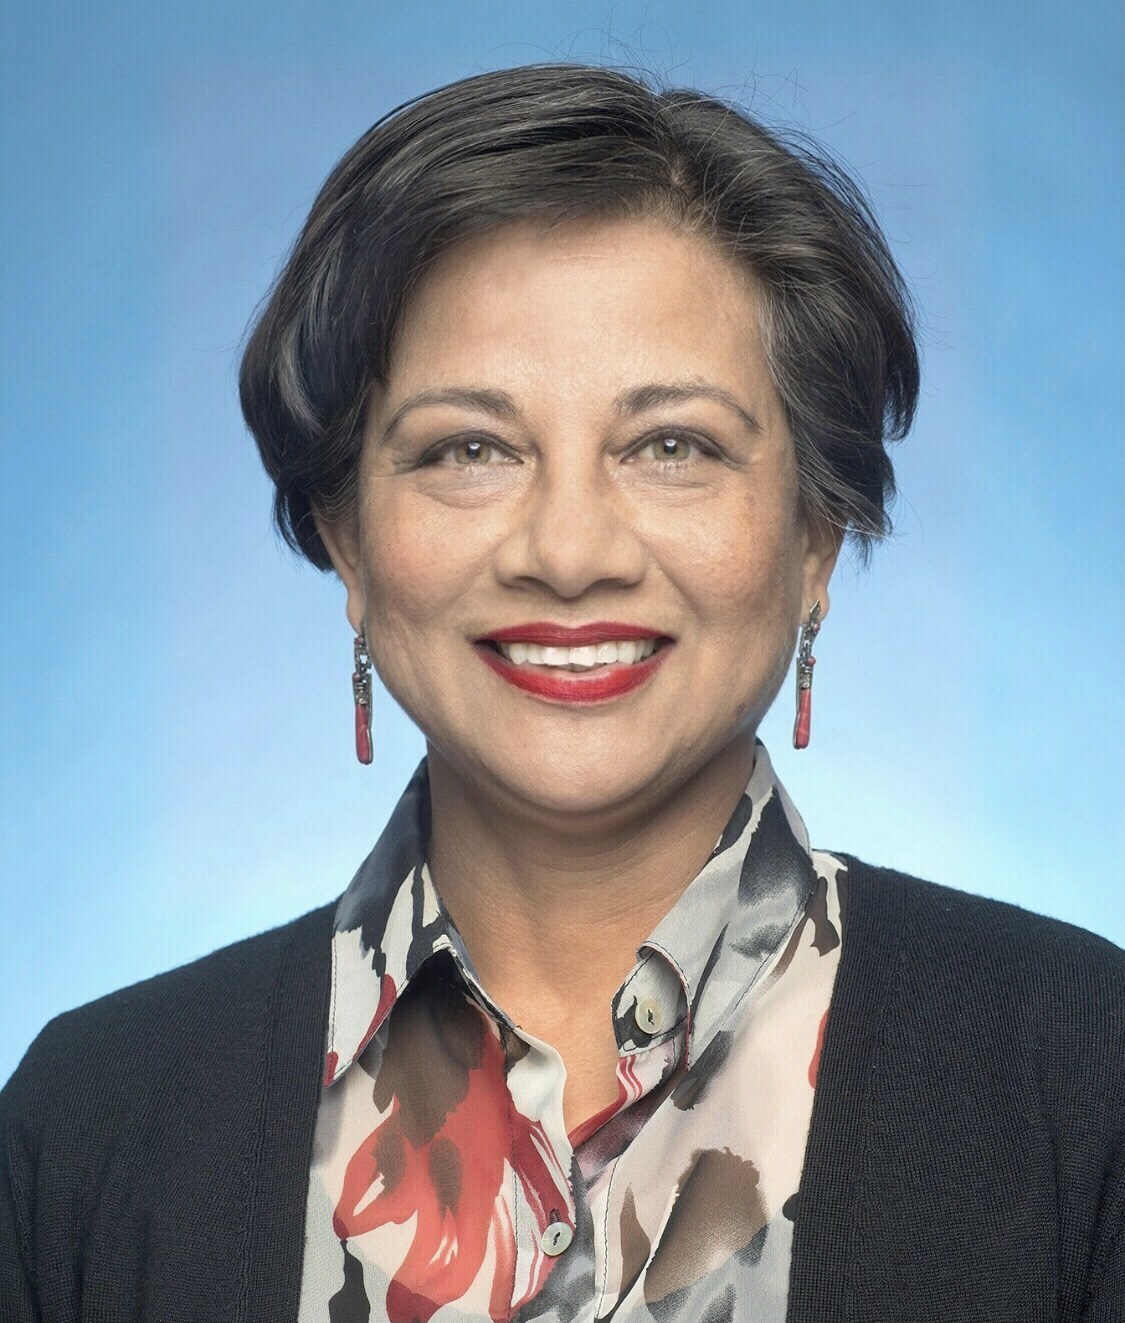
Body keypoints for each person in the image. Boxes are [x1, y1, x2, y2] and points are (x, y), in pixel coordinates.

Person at [2, 63, 1122, 1323]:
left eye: (673, 446)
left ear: (817, 536)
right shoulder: (88, 1124)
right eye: (470, 449)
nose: (572, 549)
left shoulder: (1087, 1083)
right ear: (350, 544)